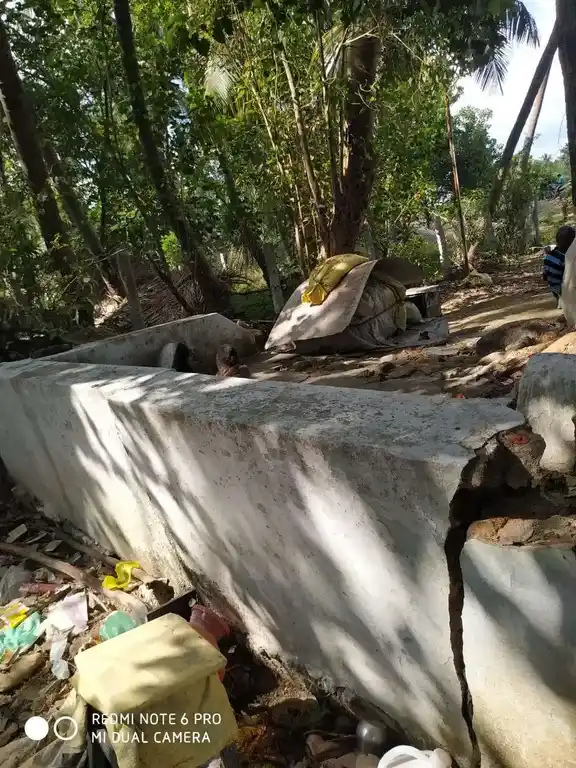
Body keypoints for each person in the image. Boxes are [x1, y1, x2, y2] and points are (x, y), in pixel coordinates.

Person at [542, 225, 576, 301]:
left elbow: (545, 276)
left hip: (556, 289)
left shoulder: (548, 257)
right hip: (564, 291)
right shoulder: (567, 258)